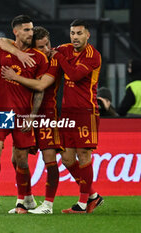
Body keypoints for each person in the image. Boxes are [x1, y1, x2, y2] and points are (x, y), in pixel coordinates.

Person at [0, 15, 49, 214]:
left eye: (31, 29)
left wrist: (33, 115)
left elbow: (39, 90)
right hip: (3, 111)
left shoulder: (39, 58)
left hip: (24, 114)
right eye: (26, 29)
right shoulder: (3, 52)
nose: (30, 33)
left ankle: (21, 202)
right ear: (16, 32)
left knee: (21, 159)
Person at [0, 26, 61, 214]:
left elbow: (41, 86)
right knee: (17, 159)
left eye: (47, 45)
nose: (46, 50)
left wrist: (15, 77)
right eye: (41, 47)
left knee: (50, 158)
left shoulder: (55, 59)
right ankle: (27, 199)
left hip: (46, 114)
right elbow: (1, 41)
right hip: (23, 112)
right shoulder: (31, 59)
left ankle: (49, 205)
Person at [50, 19, 104, 213]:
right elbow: (49, 50)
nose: (75, 37)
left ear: (88, 35)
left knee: (83, 155)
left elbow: (74, 75)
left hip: (85, 111)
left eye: (79, 33)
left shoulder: (93, 56)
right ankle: (92, 195)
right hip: (67, 112)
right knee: (66, 158)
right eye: (72, 33)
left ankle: (82, 203)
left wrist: (59, 57)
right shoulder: (64, 48)